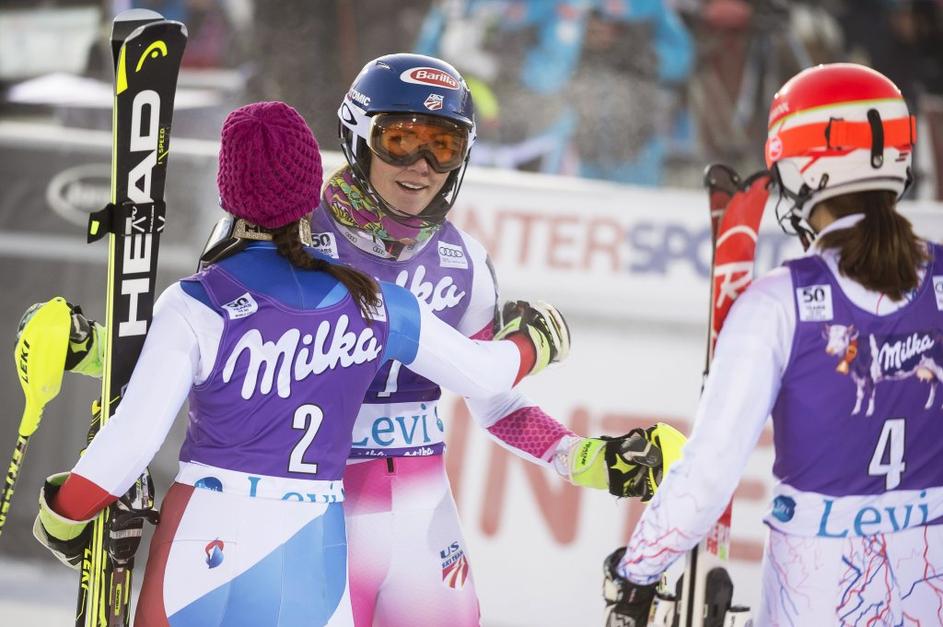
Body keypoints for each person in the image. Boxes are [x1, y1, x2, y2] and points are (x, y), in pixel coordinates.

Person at [29, 101, 571, 626]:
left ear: (227, 191)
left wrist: (63, 516)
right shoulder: (380, 302)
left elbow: (133, 440)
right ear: (312, 188)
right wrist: (534, 343)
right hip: (314, 544)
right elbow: (484, 375)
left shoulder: (197, 300)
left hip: (202, 533)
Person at [318, 52, 680, 626]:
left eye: (444, 146)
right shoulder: (295, 239)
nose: (421, 166)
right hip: (314, 513)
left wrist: (582, 458)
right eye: (400, 140)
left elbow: (494, 399)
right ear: (359, 136)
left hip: (423, 522)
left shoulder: (463, 261)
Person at [602, 63, 943, 625]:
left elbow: (708, 474)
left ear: (805, 168)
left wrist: (634, 572)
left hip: (821, 589)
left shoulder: (778, 301)